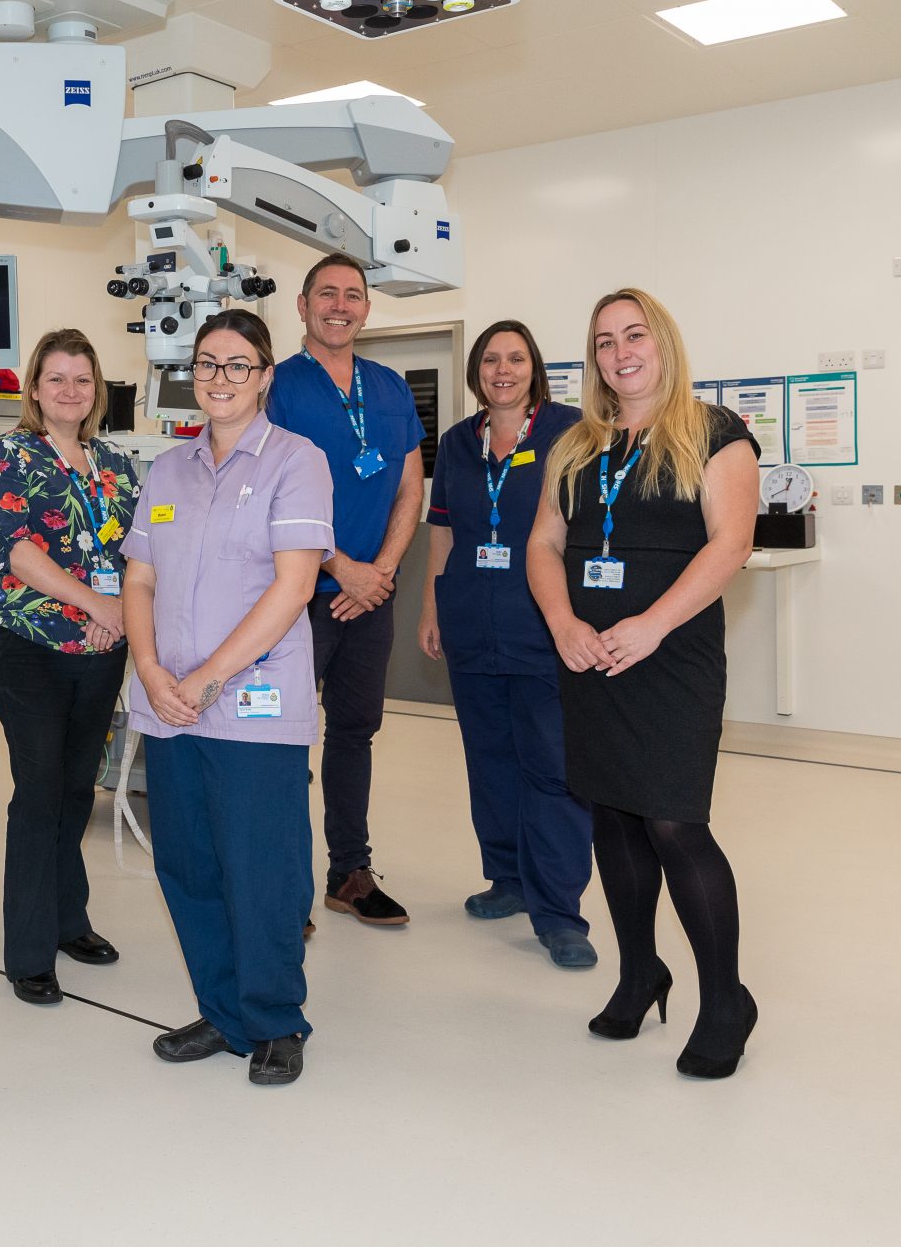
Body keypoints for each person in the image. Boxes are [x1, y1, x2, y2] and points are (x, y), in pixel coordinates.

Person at [525, 288, 761, 1079]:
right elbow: (544, 544)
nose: (620, 353)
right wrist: (563, 623)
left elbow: (731, 544)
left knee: (673, 823)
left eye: (634, 336)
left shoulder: (714, 433)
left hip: (671, 659)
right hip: (591, 658)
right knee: (614, 818)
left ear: (663, 342)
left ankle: (725, 1001)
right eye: (604, 341)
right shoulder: (576, 445)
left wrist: (652, 625)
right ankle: (639, 973)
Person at [124, 310, 334, 1086]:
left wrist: (207, 678)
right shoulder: (167, 472)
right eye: (207, 363)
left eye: (237, 364)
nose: (220, 378)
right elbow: (139, 578)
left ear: (265, 376)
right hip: (169, 703)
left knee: (262, 869)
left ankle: (275, 1020)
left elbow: (295, 585)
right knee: (189, 865)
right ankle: (222, 1012)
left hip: (252, 703)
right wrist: (150, 670)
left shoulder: (296, 460)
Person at [420, 321, 597, 970]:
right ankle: (508, 878)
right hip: (472, 622)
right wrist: (432, 606)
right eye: (491, 359)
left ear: (534, 368)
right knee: (490, 760)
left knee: (552, 768)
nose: (503, 370)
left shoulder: (571, 432)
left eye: (516, 359)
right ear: (476, 371)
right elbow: (443, 531)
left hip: (543, 627)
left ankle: (560, 913)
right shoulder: (457, 443)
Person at [0, 329, 140, 1005]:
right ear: (35, 390)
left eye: (82, 379)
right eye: (57, 378)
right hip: (25, 645)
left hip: (101, 649)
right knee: (39, 791)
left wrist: (118, 614)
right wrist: (98, 603)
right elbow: (15, 551)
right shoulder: (9, 455)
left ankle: (70, 920)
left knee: (76, 790)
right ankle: (29, 951)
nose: (71, 390)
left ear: (97, 389)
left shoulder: (118, 465)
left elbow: (142, 551)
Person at [267, 253, 424, 930]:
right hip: (297, 595)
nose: (340, 305)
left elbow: (411, 488)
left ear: (366, 307)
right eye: (326, 294)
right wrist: (342, 567)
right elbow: (268, 493)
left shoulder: (390, 387)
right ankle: (280, 885)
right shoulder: (277, 385)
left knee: (355, 733)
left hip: (371, 598)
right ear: (302, 306)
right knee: (281, 738)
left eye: (352, 295)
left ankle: (349, 874)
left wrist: (378, 573)